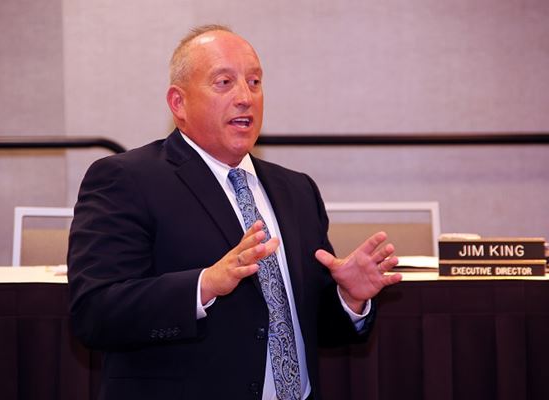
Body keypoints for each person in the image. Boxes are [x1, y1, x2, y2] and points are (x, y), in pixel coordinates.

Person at [67, 24, 402, 400]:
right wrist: (204, 285)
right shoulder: (126, 179)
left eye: (254, 82)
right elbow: (95, 313)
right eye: (224, 82)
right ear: (178, 103)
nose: (245, 97)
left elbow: (308, 327)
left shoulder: (297, 190)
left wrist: (349, 298)